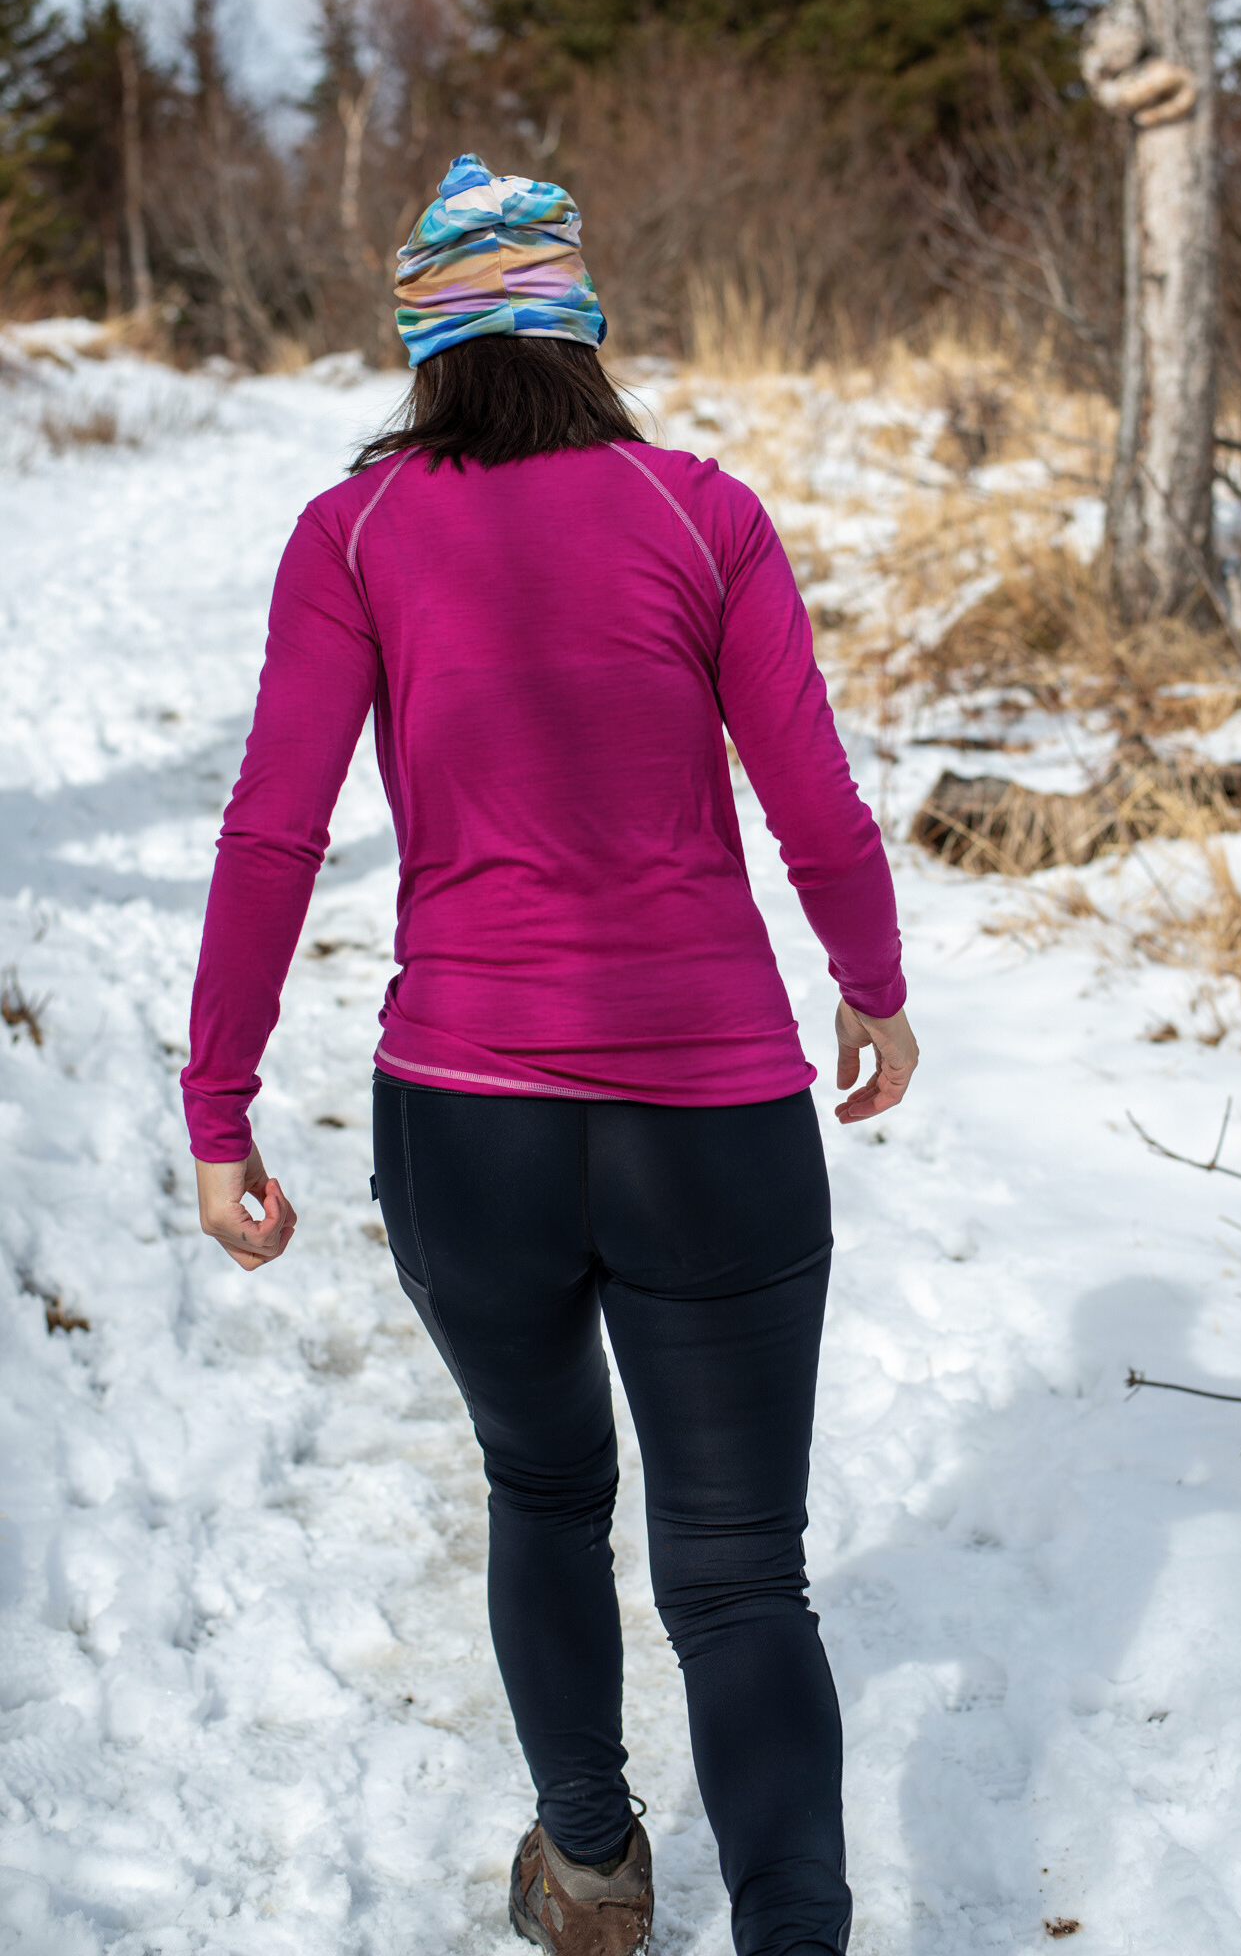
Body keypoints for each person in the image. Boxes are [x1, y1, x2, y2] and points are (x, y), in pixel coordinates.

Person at [184, 154, 918, 1956]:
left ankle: (589, 1869)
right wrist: (873, 982)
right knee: (744, 1576)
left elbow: (273, 832)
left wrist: (217, 1101)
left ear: (428, 348)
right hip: (717, 1115)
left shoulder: (352, 534)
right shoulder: (702, 513)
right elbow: (809, 794)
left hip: (472, 1124)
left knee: (544, 1488)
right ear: (582, 332)